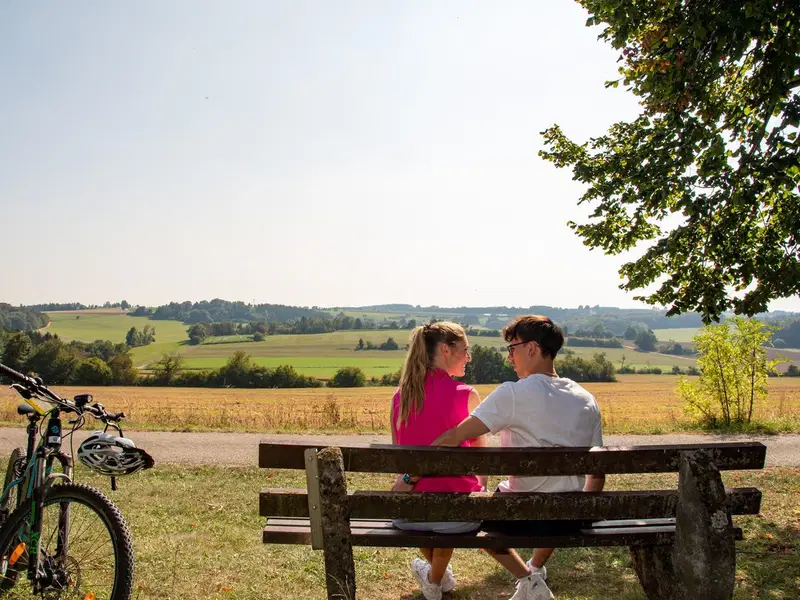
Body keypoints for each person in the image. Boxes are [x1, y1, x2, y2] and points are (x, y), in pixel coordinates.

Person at [433, 315, 604, 600]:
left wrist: (418, 460)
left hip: (518, 515)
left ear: (532, 349)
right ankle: (534, 572)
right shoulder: (586, 398)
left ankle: (528, 579)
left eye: (512, 348)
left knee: (476, 517)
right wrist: (581, 510)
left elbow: (457, 435)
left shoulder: (513, 393)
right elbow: (597, 472)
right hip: (568, 517)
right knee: (555, 493)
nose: (509, 357)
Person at [390, 321, 487, 600]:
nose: (468, 357)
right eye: (465, 350)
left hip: (407, 516)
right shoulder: (466, 395)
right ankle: (435, 580)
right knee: (448, 505)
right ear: (446, 349)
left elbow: (402, 462)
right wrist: (480, 489)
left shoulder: (401, 398)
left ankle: (437, 577)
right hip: (459, 517)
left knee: (428, 505)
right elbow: (481, 460)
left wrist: (410, 480)